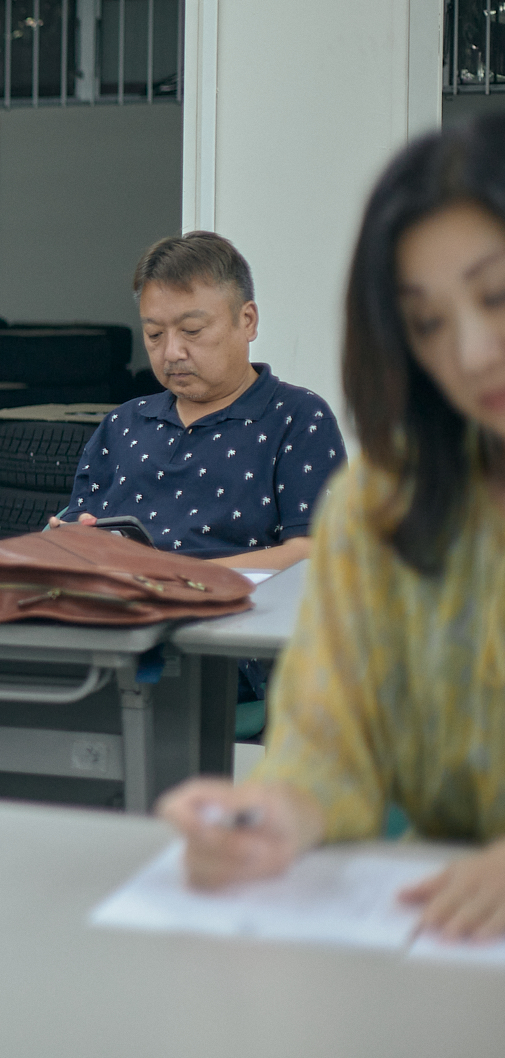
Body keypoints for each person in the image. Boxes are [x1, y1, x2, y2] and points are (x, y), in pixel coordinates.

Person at [158, 113, 505, 942]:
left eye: (496, 297)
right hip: (447, 938)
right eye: (426, 322)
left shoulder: (290, 421)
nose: (472, 349)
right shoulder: (379, 510)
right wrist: (275, 812)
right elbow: (329, 738)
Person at [50, 231, 346, 572]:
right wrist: (72, 541)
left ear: (247, 321)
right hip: (123, 614)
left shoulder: (298, 419)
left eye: (191, 330)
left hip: (239, 616)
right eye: (155, 335)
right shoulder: (122, 426)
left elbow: (314, 552)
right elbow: (78, 533)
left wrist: (181, 576)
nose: (172, 352)